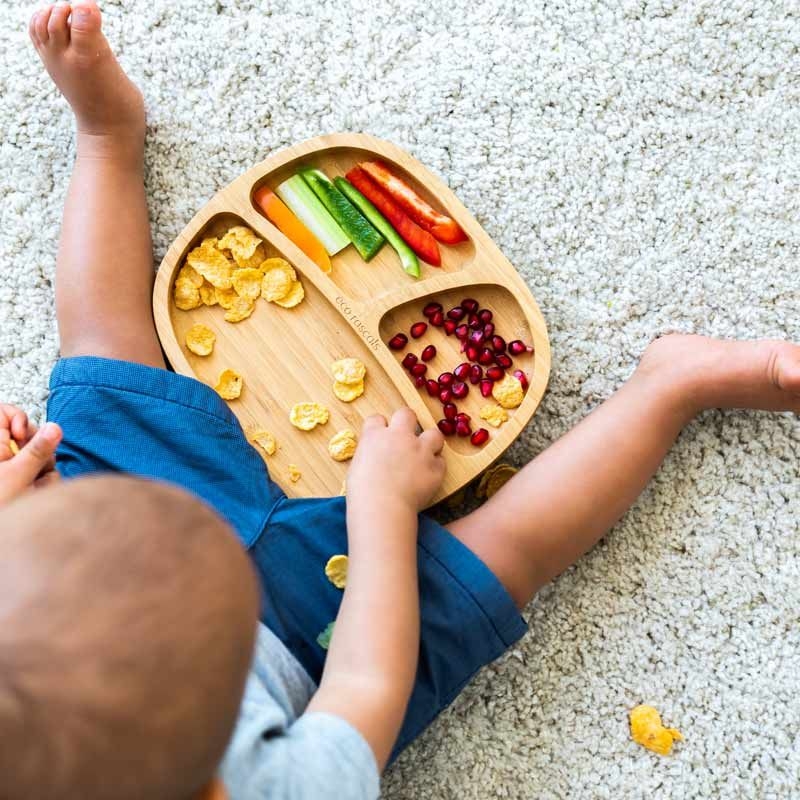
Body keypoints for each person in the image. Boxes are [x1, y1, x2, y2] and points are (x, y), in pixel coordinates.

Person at [8, 1, 799, 797]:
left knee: (103, 348)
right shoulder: (289, 785)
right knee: (502, 562)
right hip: (312, 644)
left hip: (103, 509)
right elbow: (364, 685)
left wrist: (20, 496)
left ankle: (106, 138)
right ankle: (673, 384)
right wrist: (381, 513)